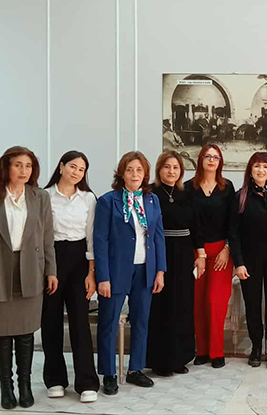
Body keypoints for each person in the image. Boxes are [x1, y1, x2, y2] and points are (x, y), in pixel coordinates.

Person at [0, 146, 58, 409]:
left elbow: (47, 239)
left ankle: (25, 386)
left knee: (26, 332)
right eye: (18, 165)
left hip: (30, 269)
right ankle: (6, 389)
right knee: (2, 332)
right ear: (6, 167)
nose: (23, 170)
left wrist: (51, 271)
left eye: (28, 166)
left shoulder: (40, 197)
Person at [94, 151, 166, 395]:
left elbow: (158, 237)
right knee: (109, 322)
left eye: (139, 170)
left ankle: (135, 369)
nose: (135, 174)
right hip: (115, 271)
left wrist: (160, 271)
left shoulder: (152, 200)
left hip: (145, 269)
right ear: (121, 173)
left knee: (141, 321)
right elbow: (100, 241)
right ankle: (109, 373)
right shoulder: (108, 201)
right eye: (130, 169)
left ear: (145, 174)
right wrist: (102, 277)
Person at [41, 151, 99, 403]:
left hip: (79, 261)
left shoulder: (88, 198)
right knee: (50, 321)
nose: (76, 172)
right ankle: (55, 380)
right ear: (61, 166)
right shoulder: (44, 196)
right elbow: (41, 235)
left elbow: (92, 236)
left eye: (81, 169)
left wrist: (91, 273)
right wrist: (49, 270)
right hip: (51, 258)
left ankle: (87, 382)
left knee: (80, 323)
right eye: (73, 166)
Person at [229, 152, 267, 370]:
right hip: (249, 261)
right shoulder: (240, 197)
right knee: (253, 304)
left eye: (265, 167)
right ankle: (256, 345)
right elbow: (233, 233)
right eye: (257, 166)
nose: (261, 170)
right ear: (250, 171)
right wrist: (239, 262)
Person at [147, 151, 201, 376]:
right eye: (167, 167)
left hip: (184, 254)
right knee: (161, 306)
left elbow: (196, 225)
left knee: (182, 305)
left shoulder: (187, 193)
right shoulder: (149, 192)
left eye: (176, 167)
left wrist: (200, 254)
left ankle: (180, 357)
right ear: (159, 169)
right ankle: (160, 361)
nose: (171, 171)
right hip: (159, 253)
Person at [186, 143, 236, 369]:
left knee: (216, 302)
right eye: (207, 156)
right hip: (196, 253)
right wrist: (199, 252)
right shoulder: (189, 188)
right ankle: (202, 350)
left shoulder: (227, 187)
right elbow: (191, 223)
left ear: (220, 162)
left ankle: (217, 351)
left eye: (215, 157)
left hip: (221, 252)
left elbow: (233, 222)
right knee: (198, 302)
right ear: (200, 160)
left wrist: (227, 248)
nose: (211, 160)